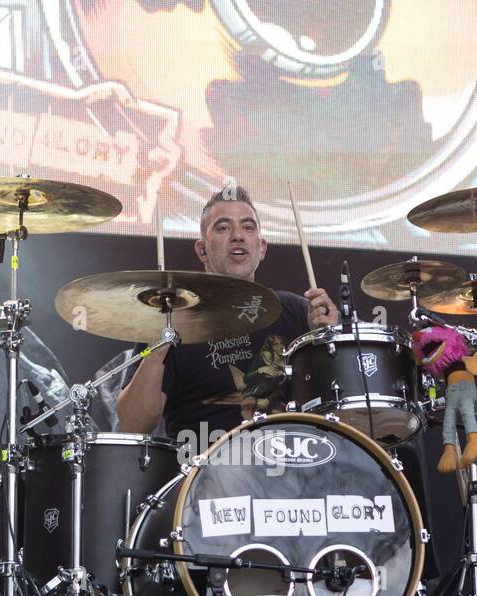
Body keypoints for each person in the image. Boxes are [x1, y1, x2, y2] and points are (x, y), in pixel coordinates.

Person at [116, 186, 337, 442]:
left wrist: (327, 336)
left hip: (288, 467)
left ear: (262, 247)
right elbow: (133, 425)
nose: (237, 236)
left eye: (248, 227)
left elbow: (342, 405)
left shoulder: (296, 311)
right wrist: (154, 352)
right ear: (202, 250)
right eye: (223, 227)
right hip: (202, 472)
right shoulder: (171, 318)